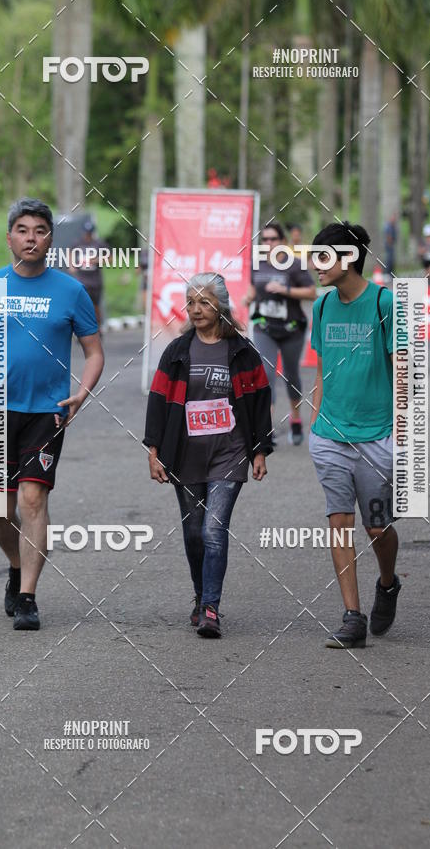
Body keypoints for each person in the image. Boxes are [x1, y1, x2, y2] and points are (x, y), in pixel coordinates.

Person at [0, 198, 104, 631]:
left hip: (46, 412)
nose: (32, 238)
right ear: (10, 237)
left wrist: (81, 395)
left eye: (41, 230)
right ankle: (16, 566)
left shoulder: (71, 291)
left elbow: (94, 353)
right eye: (23, 230)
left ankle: (28, 596)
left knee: (33, 499)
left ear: (51, 238)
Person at [144, 272, 272, 638]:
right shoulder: (178, 352)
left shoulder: (242, 352)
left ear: (221, 306)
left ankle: (211, 607)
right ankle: (201, 596)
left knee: (214, 530)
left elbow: (259, 401)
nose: (196, 309)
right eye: (191, 302)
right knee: (193, 532)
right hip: (185, 455)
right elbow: (158, 401)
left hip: (228, 453)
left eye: (204, 302)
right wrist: (153, 449)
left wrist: (260, 449)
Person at [307, 221, 400, 649]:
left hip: (378, 435)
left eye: (323, 256)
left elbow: (404, 372)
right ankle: (352, 617)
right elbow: (323, 367)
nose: (315, 265)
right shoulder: (322, 308)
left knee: (376, 527)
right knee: (339, 521)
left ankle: (387, 582)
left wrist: (406, 436)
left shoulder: (385, 303)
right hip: (331, 435)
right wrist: (316, 421)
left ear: (348, 258)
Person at [244, 222, 316, 446]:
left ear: (282, 242)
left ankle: (295, 420)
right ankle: (266, 427)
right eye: (264, 239)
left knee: (291, 375)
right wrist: (247, 298)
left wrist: (285, 290)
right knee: (265, 373)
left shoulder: (294, 265)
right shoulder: (257, 265)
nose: (268, 243)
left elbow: (312, 292)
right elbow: (254, 288)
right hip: (264, 326)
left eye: (273, 239)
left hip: (291, 328)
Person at [70, 221, 104, 330]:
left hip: (95, 281)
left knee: (95, 307)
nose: (87, 235)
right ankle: (82, 330)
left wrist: (97, 260)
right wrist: (71, 266)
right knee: (82, 306)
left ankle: (98, 328)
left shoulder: (99, 244)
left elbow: (110, 258)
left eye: (89, 233)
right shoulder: (77, 244)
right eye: (86, 233)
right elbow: (70, 254)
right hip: (82, 280)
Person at [382, 212, 398, 278]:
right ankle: (387, 273)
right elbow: (388, 236)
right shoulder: (388, 226)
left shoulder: (393, 226)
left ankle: (391, 273)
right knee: (389, 259)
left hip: (391, 245)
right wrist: (390, 243)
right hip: (389, 245)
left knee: (391, 260)